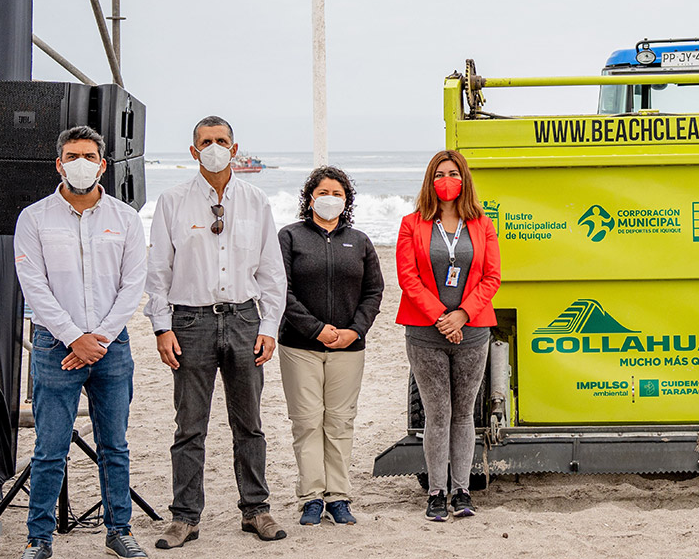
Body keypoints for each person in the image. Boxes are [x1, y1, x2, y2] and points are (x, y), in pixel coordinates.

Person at [145, 116, 288, 547]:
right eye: (205, 142)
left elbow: (271, 271)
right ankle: (184, 517)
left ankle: (256, 510)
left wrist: (269, 326)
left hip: (245, 319)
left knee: (250, 424)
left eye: (221, 140)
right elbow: (157, 272)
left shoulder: (256, 200)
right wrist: (160, 327)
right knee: (190, 426)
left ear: (234, 146)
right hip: (190, 322)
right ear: (193, 151)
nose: (214, 147)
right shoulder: (171, 201)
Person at [13, 127, 149, 559]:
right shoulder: (33, 218)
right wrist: (75, 337)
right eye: (73, 155)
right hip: (56, 348)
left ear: (103, 164)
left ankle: (119, 530)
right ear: (59, 163)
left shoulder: (125, 219)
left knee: (115, 445)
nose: (81, 163)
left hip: (112, 348)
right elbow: (33, 286)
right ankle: (39, 539)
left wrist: (100, 338)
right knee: (50, 448)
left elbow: (133, 286)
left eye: (89, 156)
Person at [395, 150, 501, 521]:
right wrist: (442, 317)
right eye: (440, 174)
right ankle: (436, 492)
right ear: (430, 180)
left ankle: (462, 490)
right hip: (426, 333)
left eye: (453, 173)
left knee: (464, 414)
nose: (447, 180)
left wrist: (462, 314)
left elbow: (492, 278)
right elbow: (408, 278)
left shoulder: (482, 225)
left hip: (472, 332)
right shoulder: (412, 224)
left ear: (464, 179)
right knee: (437, 413)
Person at [278, 166, 384, 527]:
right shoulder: (290, 237)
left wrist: (354, 331)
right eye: (323, 192)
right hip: (299, 346)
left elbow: (373, 292)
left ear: (346, 200)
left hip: (349, 349)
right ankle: (311, 497)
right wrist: (317, 329)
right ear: (310, 198)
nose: (330, 199)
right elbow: (282, 291)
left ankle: (337, 496)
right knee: (307, 422)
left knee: (339, 422)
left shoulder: (361, 241)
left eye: (337, 193)